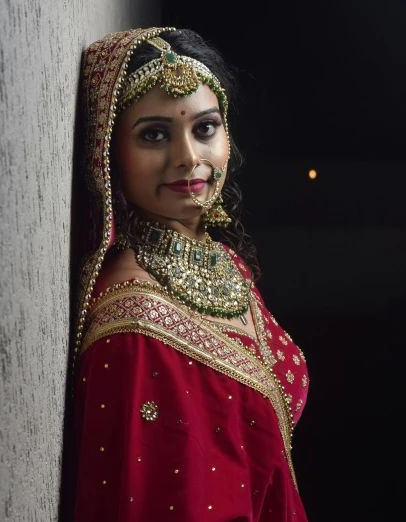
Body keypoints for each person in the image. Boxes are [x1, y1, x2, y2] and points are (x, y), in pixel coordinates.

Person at [69, 28, 309, 521]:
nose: (188, 158)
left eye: (204, 128)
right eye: (154, 134)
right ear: (108, 154)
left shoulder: (219, 259)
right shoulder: (134, 328)